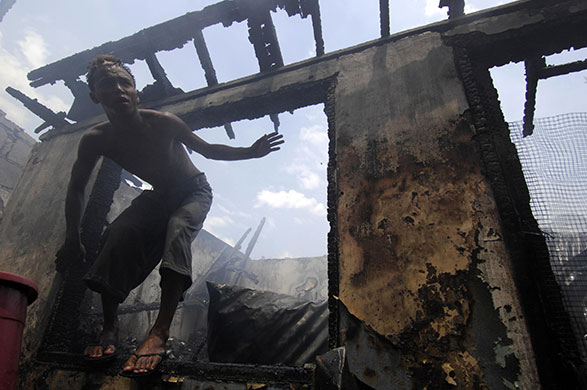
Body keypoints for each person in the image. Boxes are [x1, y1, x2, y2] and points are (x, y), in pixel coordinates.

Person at [56, 54, 284, 376]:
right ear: (95, 95)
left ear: (137, 93)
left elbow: (208, 150)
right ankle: (109, 328)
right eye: (108, 84)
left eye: (126, 83)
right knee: (119, 233)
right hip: (159, 195)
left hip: (193, 191)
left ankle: (159, 332)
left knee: (178, 229)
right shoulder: (96, 139)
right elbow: (77, 187)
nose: (119, 89)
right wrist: (72, 237)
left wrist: (251, 151)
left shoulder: (163, 122)